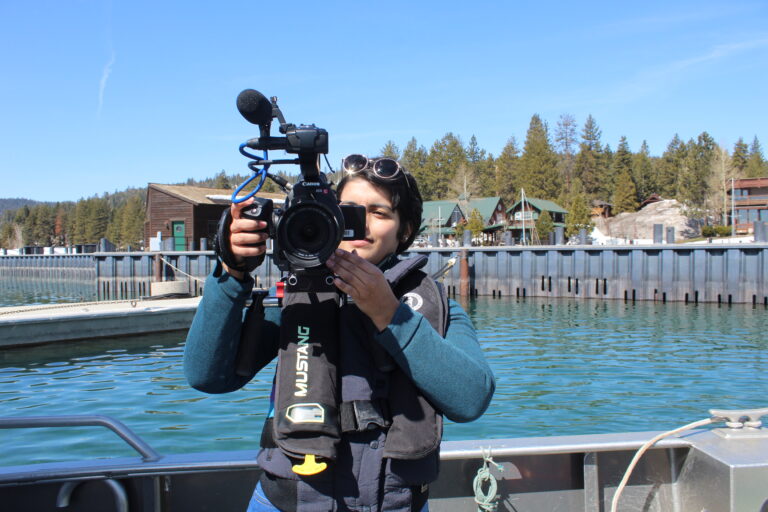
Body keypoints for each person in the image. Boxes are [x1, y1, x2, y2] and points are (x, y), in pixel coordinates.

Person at [184, 155, 495, 512]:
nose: (358, 226)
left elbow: (471, 399)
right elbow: (207, 376)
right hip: (289, 502)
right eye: (347, 213)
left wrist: (390, 315)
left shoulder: (434, 308)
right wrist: (231, 272)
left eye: (377, 213)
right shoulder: (298, 299)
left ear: (404, 231)